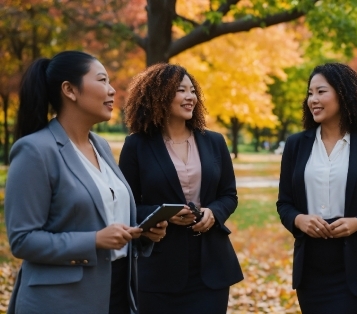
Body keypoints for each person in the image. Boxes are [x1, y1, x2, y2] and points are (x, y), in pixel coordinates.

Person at [4, 51, 167, 314]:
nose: (112, 90)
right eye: (102, 80)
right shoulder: (35, 150)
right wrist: (94, 240)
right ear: (69, 90)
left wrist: (140, 233)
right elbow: (23, 240)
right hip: (61, 302)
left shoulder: (100, 146)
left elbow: (106, 217)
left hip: (117, 293)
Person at [276, 63, 357, 314]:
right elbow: (284, 204)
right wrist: (299, 220)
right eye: (310, 93)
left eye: (321, 92)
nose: (313, 99)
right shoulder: (295, 145)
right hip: (311, 269)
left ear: (343, 94)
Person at [119, 63, 243, 314]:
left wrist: (214, 213)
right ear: (159, 95)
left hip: (211, 266)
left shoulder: (214, 142)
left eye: (192, 91)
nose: (190, 97)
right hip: (159, 268)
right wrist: (162, 213)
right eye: (180, 90)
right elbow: (126, 203)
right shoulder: (137, 145)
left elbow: (229, 195)